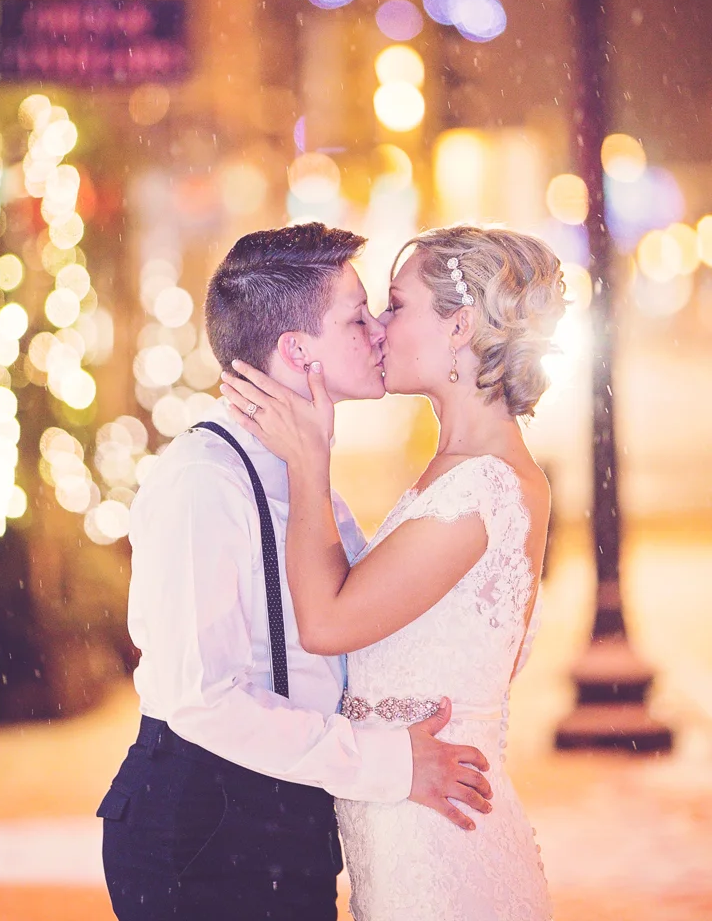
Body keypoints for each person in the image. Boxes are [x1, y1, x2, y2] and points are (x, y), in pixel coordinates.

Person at [98, 222, 492, 921]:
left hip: (284, 815)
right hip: (201, 824)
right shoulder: (203, 480)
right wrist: (390, 764)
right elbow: (202, 699)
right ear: (295, 349)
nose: (378, 332)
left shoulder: (306, 481)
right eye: (357, 317)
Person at [221, 224, 566, 921]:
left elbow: (326, 621)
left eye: (396, 306)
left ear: (460, 327)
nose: (377, 327)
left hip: (443, 846)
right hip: (406, 831)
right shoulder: (459, 472)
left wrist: (307, 462)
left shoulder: (485, 489)